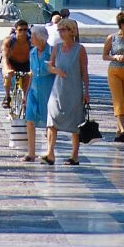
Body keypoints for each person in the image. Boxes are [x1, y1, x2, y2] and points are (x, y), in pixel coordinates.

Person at [42, 18, 89, 166]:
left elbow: (84, 72)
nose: (60, 33)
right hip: (58, 89)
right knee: (52, 120)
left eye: (63, 30)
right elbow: (50, 66)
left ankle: (74, 155)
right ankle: (50, 153)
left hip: (74, 90)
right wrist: (55, 70)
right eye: (59, 30)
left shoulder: (79, 49)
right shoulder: (56, 47)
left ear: (71, 31)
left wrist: (86, 92)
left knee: (75, 123)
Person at [22, 25, 54, 162]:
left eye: (33, 37)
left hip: (48, 91)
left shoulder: (52, 51)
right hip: (34, 91)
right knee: (29, 120)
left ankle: (49, 152)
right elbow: (32, 73)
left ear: (40, 38)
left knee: (49, 123)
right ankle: (31, 152)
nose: (30, 39)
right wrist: (26, 92)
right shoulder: (33, 52)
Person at [103, 11, 124, 142]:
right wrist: (115, 56)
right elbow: (104, 55)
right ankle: (122, 128)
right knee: (118, 100)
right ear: (122, 24)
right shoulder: (112, 38)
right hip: (114, 70)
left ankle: (119, 132)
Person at [1, 19, 31, 109]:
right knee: (7, 75)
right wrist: (7, 68)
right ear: (16, 30)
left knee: (28, 77)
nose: (23, 32)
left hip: (26, 63)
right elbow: (5, 57)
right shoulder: (9, 41)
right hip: (12, 62)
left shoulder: (31, 40)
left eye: (25, 29)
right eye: (20, 30)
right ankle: (7, 97)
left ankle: (24, 98)